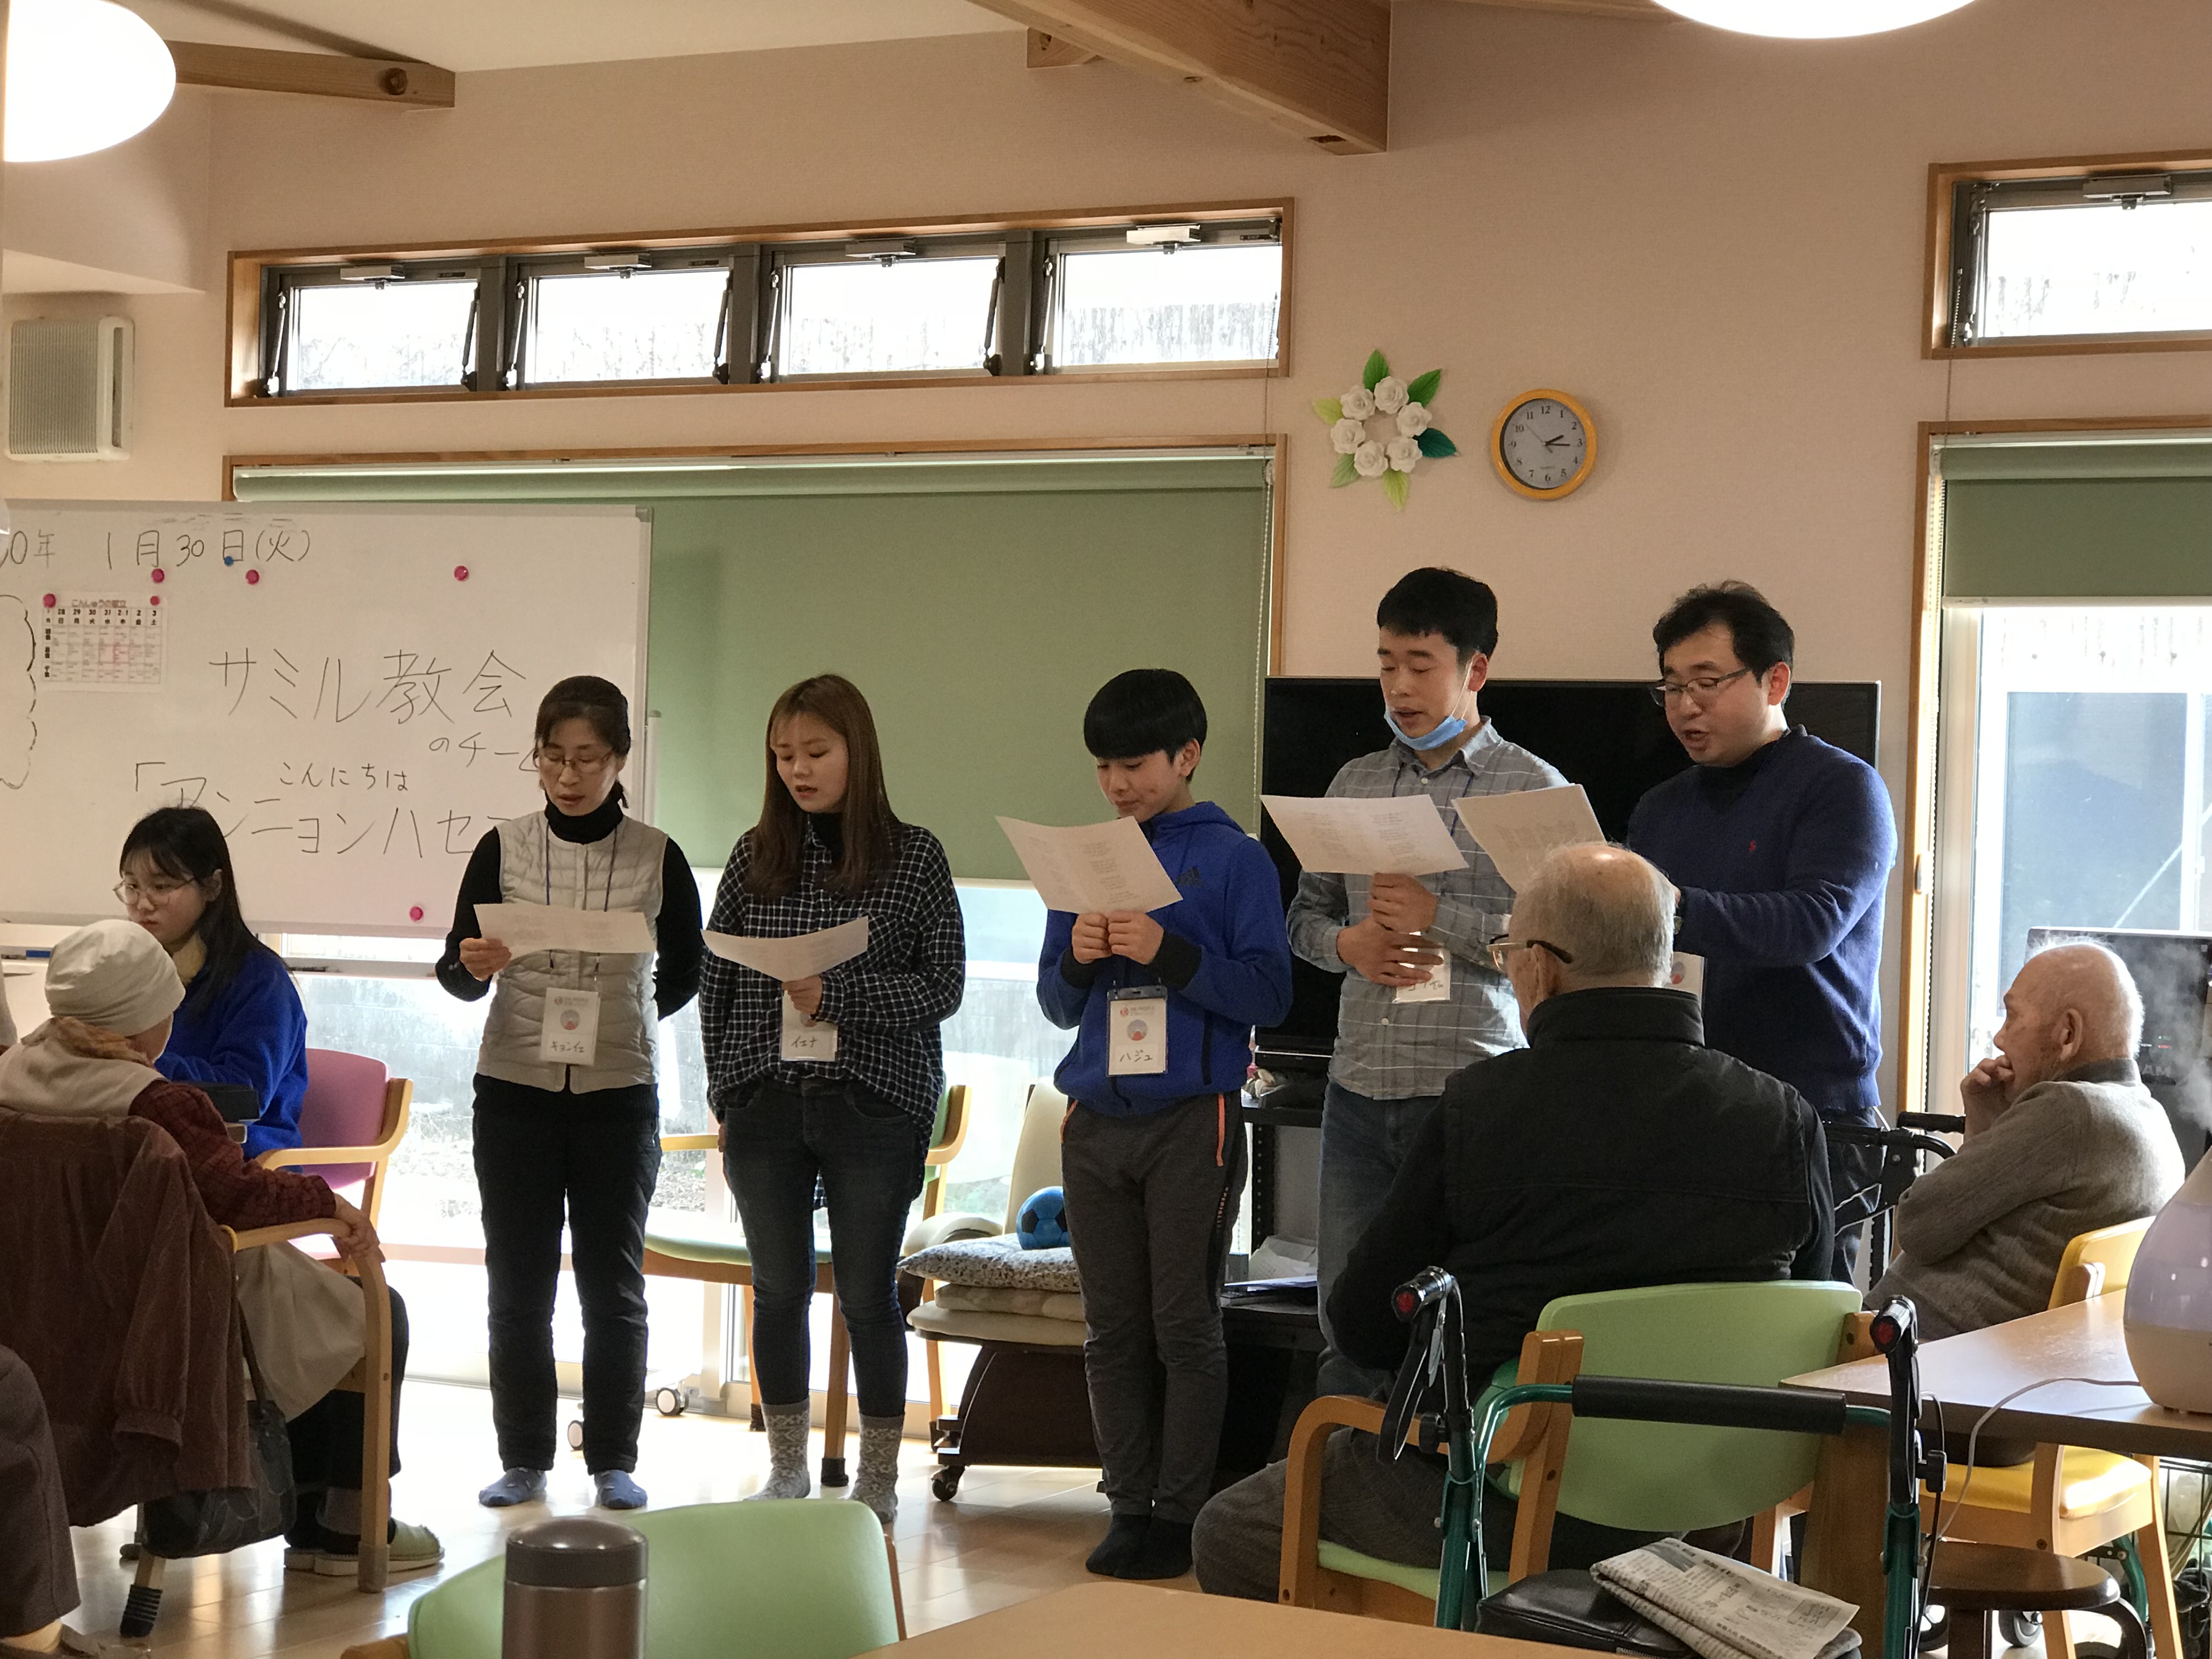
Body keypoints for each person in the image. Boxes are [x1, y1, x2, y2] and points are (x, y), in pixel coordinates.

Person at [1193, 844, 1833, 1599]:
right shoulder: (1785, 1119)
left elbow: (1364, 1324)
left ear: (1540, 969)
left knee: (1232, 1529)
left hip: (1503, 1496)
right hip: (1709, 1509)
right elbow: (1812, 1320)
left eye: (1505, 955)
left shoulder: (1481, 1109)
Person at [0, 919, 439, 1578]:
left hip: (32, 1322)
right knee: (375, 1311)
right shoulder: (159, 1106)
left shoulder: (9, 1077)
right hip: (155, 1326)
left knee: (307, 1305)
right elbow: (238, 1197)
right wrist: (330, 1205)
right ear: (145, 1023)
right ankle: (343, 1530)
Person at [1285, 568, 1567, 1396]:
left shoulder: (1533, 789)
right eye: (1385, 665)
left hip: (1470, 1094)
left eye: (1419, 664)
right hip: (1357, 1090)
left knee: (1462, 1326)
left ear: (1475, 670)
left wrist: (1437, 916)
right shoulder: (1355, 783)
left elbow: (1554, 951)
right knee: (1345, 1320)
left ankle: (1436, 1478)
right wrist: (1349, 945)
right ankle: (1340, 1472)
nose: (1399, 687)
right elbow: (1302, 919)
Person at [1039, 669, 1293, 1582]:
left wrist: (1167, 951)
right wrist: (1077, 957)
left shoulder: (1236, 859)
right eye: (1103, 767)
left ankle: (1180, 1511)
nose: (1117, 784)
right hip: (1093, 1118)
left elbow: (1270, 994)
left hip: (1193, 1116)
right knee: (1110, 1329)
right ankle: (1126, 1503)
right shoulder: (1084, 856)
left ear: (1186, 756)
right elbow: (1055, 1005)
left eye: (1135, 765)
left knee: (1184, 1323)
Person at [698, 674, 965, 1527]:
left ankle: (878, 1481)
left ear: (858, 751)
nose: (799, 770)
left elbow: (944, 985)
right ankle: (785, 1472)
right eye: (784, 755)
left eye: (816, 752)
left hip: (874, 1098)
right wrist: (724, 1090)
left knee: (866, 1293)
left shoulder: (914, 856)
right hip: (765, 1096)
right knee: (776, 1289)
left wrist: (839, 995)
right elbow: (715, 981)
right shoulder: (754, 854)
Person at [437, 675, 704, 1513]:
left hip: (618, 1094)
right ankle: (523, 1459)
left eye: (587, 758)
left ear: (620, 759)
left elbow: (686, 971)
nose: (568, 774)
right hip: (514, 1090)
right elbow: (455, 971)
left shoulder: (658, 856)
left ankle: (613, 1461)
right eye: (552, 756)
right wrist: (474, 967)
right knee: (518, 1286)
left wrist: (626, 1018)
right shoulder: (501, 847)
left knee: (611, 1286)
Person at [1625, 583, 1897, 1279]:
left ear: (1775, 681)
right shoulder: (1659, 809)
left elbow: (1811, 924)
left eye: (1706, 683)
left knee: (1798, 1326)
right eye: (1672, 687)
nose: (1685, 706)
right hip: (1682, 1105)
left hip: (1810, 1111)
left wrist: (1665, 906)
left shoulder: (1841, 788)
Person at [1874, 943, 2183, 1344]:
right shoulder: (2152, 1120)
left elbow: (1918, 1225)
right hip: (1983, 1359)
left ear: (2067, 1034)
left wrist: (1986, 1128)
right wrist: (1987, 1126)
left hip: (1906, 1353)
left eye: (2012, 1016)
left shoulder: (2066, 1110)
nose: (2000, 1038)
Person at [118, 806, 309, 1159]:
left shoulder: (261, 979)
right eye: (132, 887)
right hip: (154, 1146)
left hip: (243, 1158)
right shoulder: (132, 969)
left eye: (161, 887)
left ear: (212, 886)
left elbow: (244, 1095)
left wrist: (133, 1062)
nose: (142, 904)